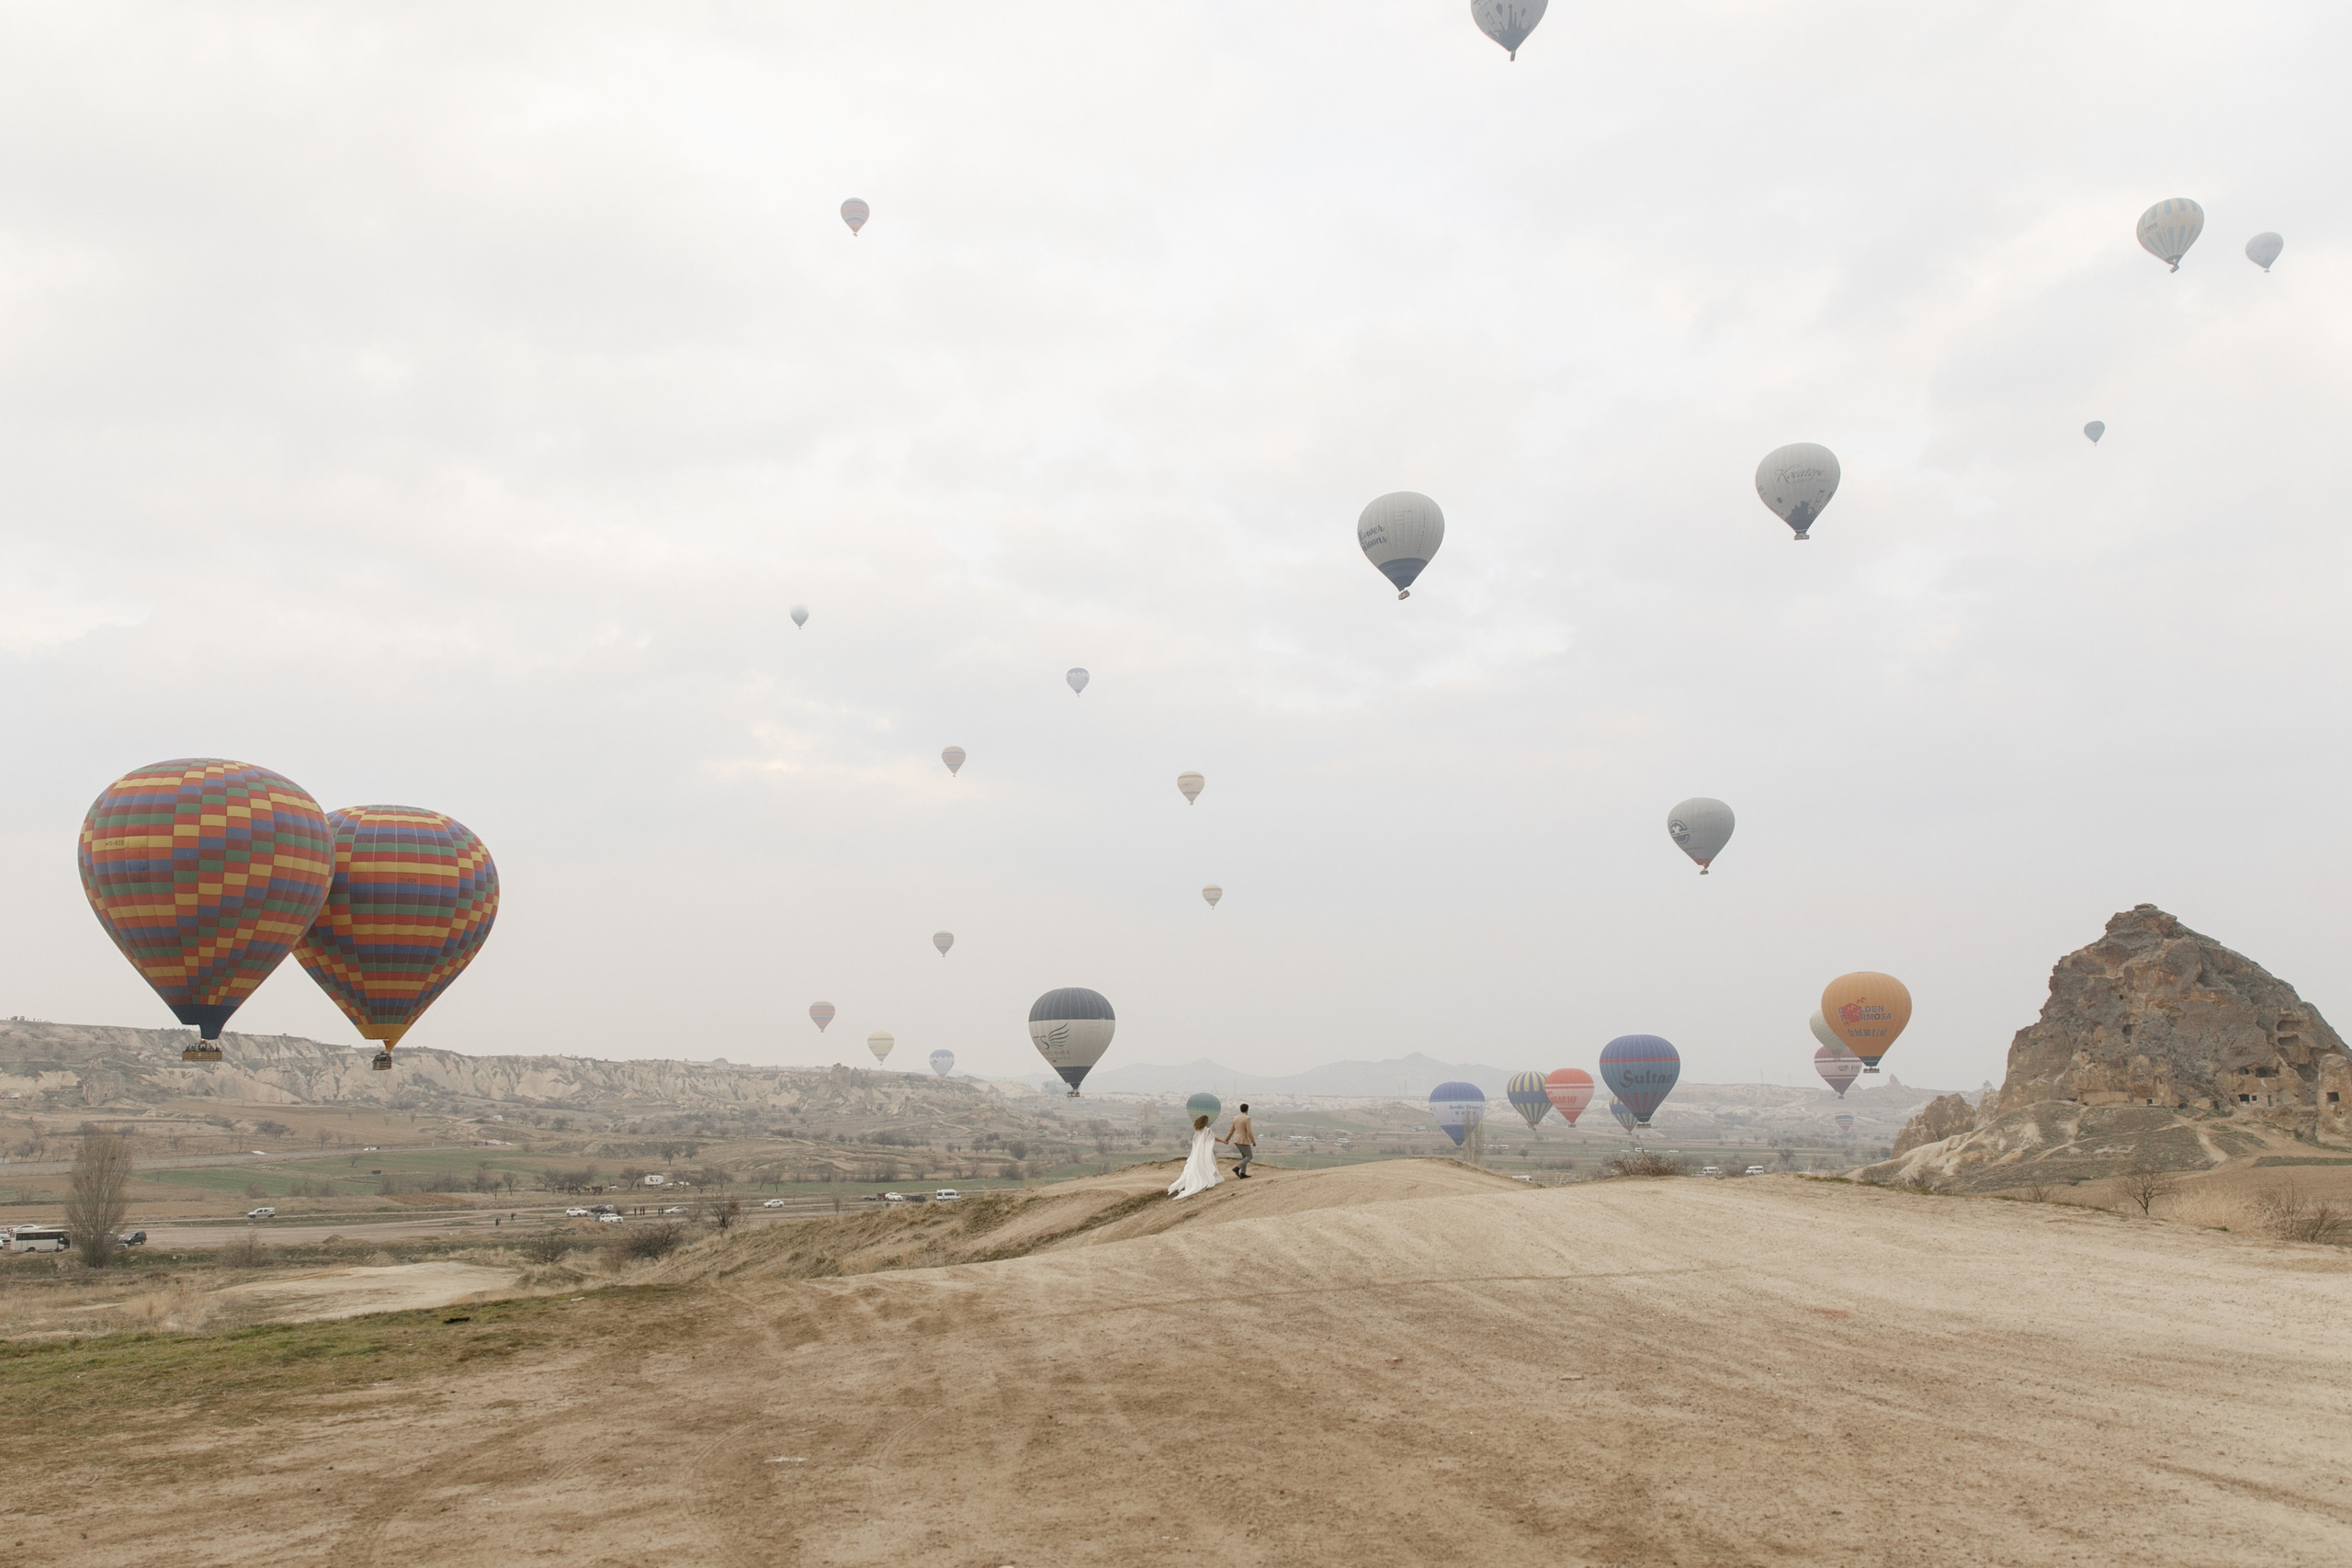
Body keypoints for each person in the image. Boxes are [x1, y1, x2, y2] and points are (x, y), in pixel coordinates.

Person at [1168, 1114, 1220, 1200]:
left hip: (1197, 1152)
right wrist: (1224, 1141)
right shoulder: (1207, 1130)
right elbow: (1214, 1138)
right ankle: (1206, 1178)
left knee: (1196, 1165)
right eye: (1208, 1121)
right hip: (1203, 1151)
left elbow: (1195, 1141)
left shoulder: (1198, 1131)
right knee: (1206, 1163)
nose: (1209, 1122)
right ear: (1205, 1122)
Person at [1226, 1103, 1255, 1179]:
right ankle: (1237, 1168)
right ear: (1247, 1109)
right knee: (1249, 1156)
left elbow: (1231, 1130)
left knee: (1244, 1156)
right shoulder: (1247, 1118)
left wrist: (1227, 1139)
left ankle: (1243, 1173)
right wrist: (1253, 1141)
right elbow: (1249, 1131)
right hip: (1243, 1140)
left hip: (1236, 1139)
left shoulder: (1235, 1118)